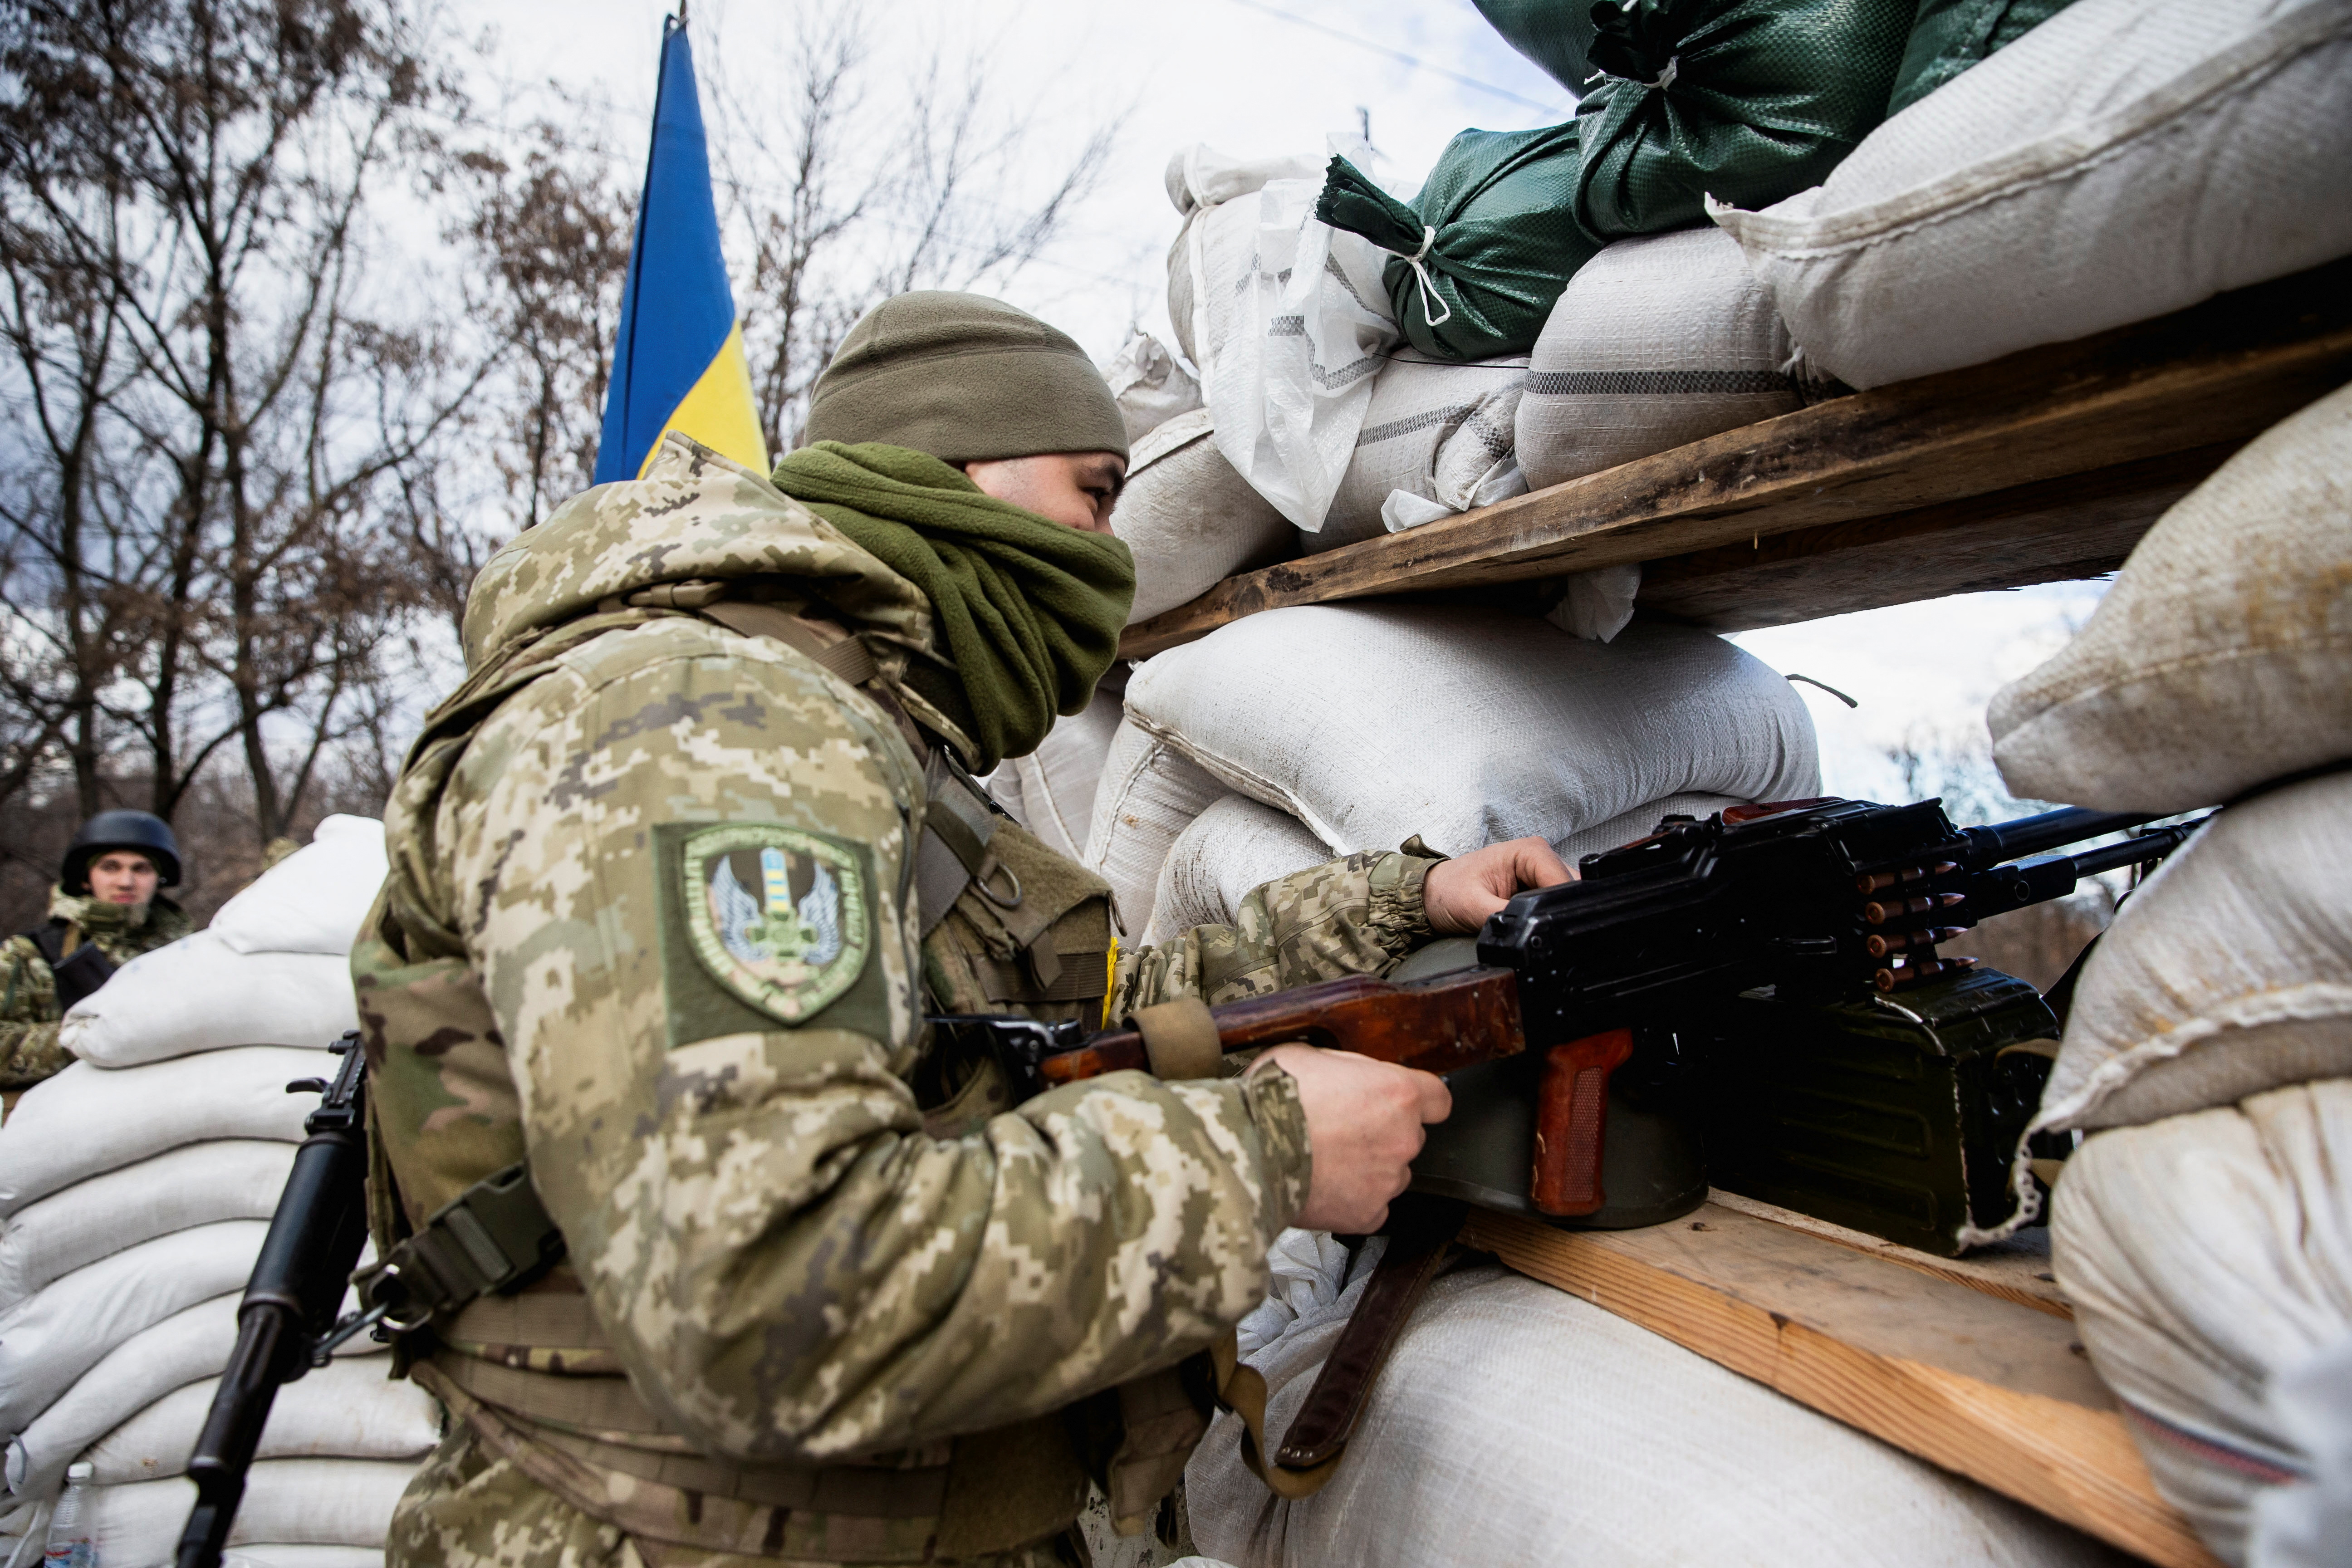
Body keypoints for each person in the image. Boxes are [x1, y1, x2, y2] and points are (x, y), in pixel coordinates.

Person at [361, 291, 1573, 1568]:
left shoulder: (866, 741)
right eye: (1092, 493)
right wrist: (1261, 1154)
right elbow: (762, 1288)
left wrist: (1399, 903)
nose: (1109, 550)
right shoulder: (712, 728)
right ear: (947, 469)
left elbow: (1073, 1021)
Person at [0, 810, 192, 1094]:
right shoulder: (30, 955)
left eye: (141, 869)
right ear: (86, 878)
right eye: (110, 867)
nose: (126, 881)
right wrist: (85, 1039)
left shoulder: (189, 953)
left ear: (159, 879)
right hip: (63, 1109)